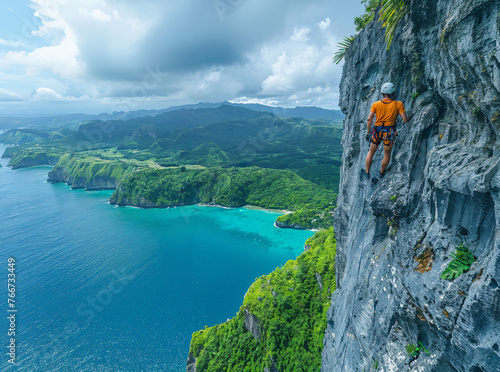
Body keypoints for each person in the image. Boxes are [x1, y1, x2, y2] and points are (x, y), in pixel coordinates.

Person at [363, 82, 410, 182]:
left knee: (371, 152)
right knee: (386, 154)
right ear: (393, 93)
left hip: (377, 131)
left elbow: (369, 119)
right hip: (389, 132)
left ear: (382, 93)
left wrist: (368, 132)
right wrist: (410, 116)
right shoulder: (398, 104)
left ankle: (367, 173)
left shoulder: (376, 104)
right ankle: (380, 173)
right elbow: (405, 119)